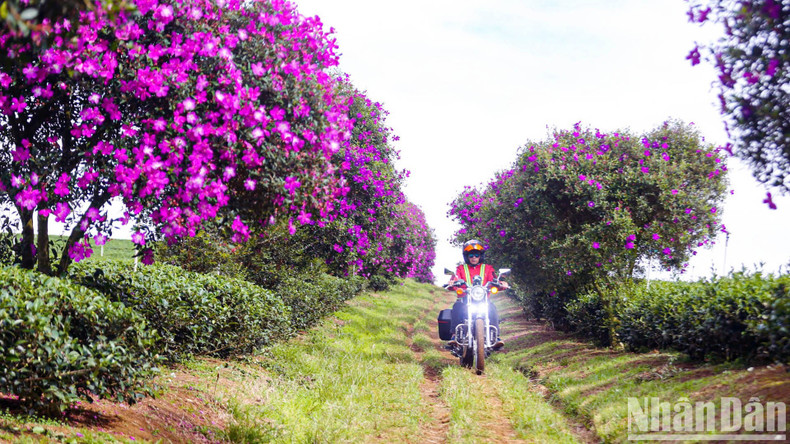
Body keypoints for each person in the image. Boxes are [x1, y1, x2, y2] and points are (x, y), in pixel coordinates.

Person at [446, 239, 507, 349]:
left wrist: (501, 283)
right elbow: (455, 279)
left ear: (480, 256)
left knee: (492, 308)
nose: (474, 257)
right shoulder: (460, 268)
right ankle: (454, 336)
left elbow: (494, 280)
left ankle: (495, 336)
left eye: (476, 255)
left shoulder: (487, 268)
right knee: (457, 306)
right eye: (471, 255)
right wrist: (452, 283)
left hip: (482, 299)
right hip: (465, 299)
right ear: (467, 256)